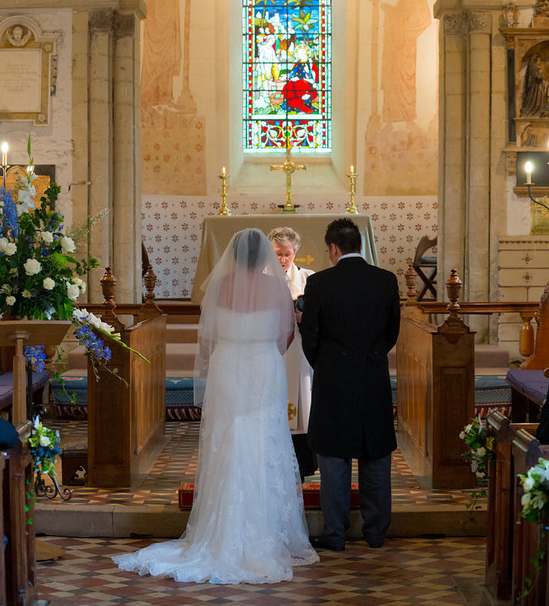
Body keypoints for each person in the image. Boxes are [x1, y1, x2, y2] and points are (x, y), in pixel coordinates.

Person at [113, 228, 318, 584]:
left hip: (227, 368)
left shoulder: (219, 288)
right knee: (263, 439)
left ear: (234, 257)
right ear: (265, 257)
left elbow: (207, 338)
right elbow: (286, 334)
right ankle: (263, 530)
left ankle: (221, 529)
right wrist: (264, 353)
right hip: (264, 366)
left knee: (228, 438)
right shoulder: (276, 288)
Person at [299, 217, 400, 551]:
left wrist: (328, 365)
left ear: (333, 248)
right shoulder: (386, 281)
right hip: (373, 378)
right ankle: (376, 533)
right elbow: (391, 333)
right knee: (376, 458)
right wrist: (368, 358)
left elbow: (309, 336)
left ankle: (335, 534)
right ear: (360, 245)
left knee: (334, 459)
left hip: (333, 381)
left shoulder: (320, 284)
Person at [267, 226, 317, 479]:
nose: (283, 260)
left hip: (299, 350)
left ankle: (303, 464)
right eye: (277, 254)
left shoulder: (309, 278)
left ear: (295, 252)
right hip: (271, 349)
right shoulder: (259, 279)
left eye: (288, 254)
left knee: (303, 402)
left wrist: (301, 316)